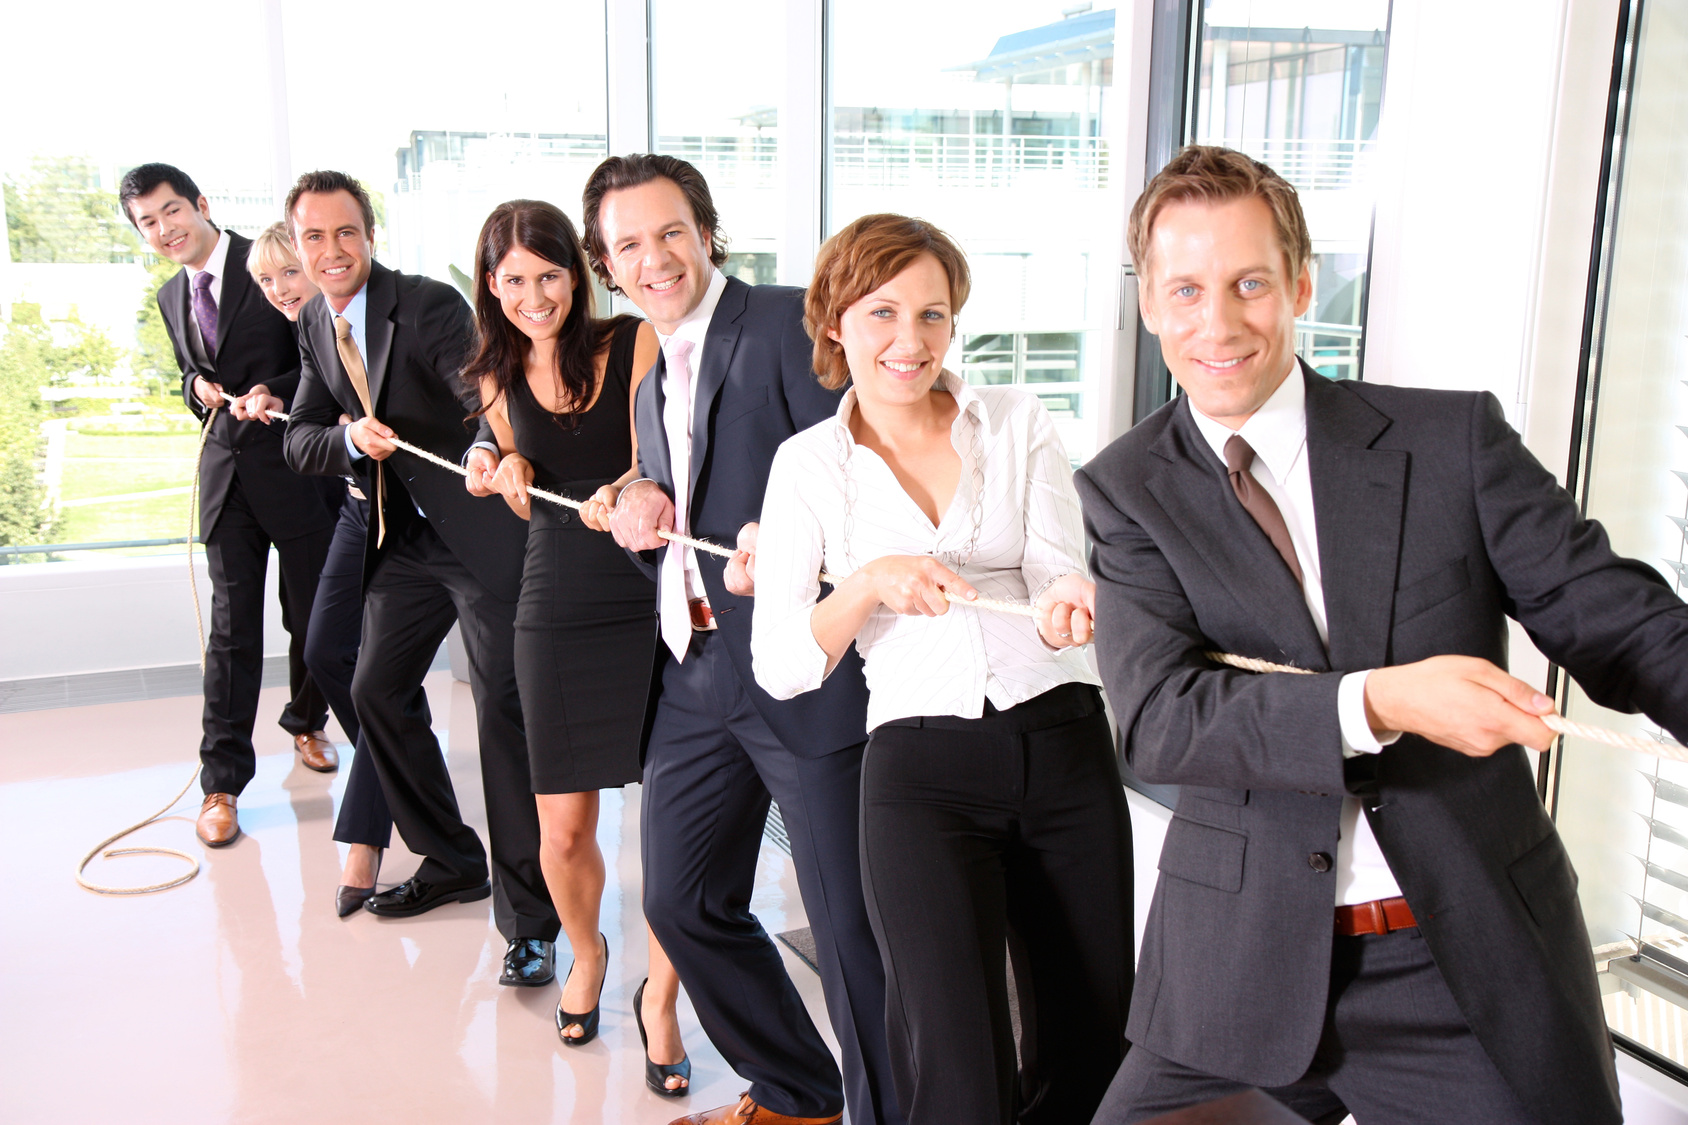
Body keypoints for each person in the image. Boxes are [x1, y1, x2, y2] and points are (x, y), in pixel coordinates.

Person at [1077, 144, 1688, 1125]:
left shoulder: (1450, 443)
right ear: (1148, 302)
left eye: (1248, 283)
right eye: (1185, 290)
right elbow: (1160, 720)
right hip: (1233, 966)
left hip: (1458, 966)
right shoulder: (1123, 488)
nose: (1217, 323)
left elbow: (1616, 619)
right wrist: (1383, 700)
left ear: (1299, 284)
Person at [751, 213, 1134, 1125]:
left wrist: (1072, 594)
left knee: (1091, 1039)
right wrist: (869, 583)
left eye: (933, 314)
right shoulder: (806, 466)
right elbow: (780, 662)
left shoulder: (1017, 421)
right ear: (835, 322)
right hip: (921, 773)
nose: (910, 340)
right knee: (955, 1060)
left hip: (1063, 741)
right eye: (882, 313)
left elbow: (1055, 567)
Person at [596, 155, 903, 1125]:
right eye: (628, 245)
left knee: (850, 932)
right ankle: (799, 1095)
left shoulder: (783, 324)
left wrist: (797, 538)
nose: (654, 258)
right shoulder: (651, 373)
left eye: (670, 232)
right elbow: (681, 486)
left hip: (805, 672)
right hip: (694, 673)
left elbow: (869, 465)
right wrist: (637, 495)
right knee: (680, 901)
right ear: (608, 266)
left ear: (706, 232)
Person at [278, 170, 560, 987]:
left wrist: (485, 446)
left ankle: (530, 923)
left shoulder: (426, 303)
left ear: (370, 235)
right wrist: (346, 441)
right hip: (402, 538)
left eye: (346, 232)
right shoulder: (315, 322)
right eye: (314, 236)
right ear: (297, 244)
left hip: (478, 534)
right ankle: (451, 857)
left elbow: (481, 391)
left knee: (500, 717)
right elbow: (300, 437)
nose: (332, 250)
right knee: (375, 689)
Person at [466, 198, 691, 1092]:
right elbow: (510, 457)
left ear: (579, 274)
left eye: (550, 275)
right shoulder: (494, 371)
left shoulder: (630, 342)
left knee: (671, 825)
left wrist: (627, 486)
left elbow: (657, 454)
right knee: (561, 828)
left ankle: (663, 999)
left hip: (647, 579)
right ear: (492, 285)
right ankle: (588, 951)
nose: (534, 296)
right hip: (556, 588)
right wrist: (509, 461)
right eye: (514, 280)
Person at [119, 164, 340, 849]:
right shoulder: (169, 295)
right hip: (226, 481)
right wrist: (198, 389)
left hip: (295, 471)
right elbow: (192, 371)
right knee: (231, 632)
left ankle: (307, 722)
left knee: (311, 618)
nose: (164, 229)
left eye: (171, 211)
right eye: (148, 222)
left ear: (200, 204)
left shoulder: (271, 261)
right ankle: (222, 784)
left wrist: (272, 392)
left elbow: (320, 354)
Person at [246, 222, 392, 914]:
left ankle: (367, 831)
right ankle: (400, 766)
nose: (282, 288)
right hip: (357, 506)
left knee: (377, 672)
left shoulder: (383, 315)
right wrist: (295, 409)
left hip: (411, 514)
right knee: (327, 653)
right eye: (268, 278)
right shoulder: (311, 327)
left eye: (290, 273)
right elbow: (311, 416)